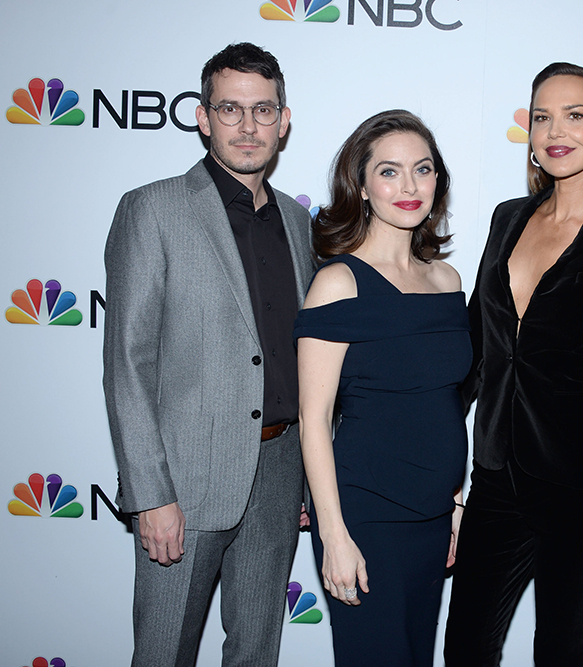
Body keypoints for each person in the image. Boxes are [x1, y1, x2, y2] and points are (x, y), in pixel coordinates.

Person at [444, 62, 583, 666]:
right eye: (542, 116)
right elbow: (475, 353)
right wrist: (433, 455)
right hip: (494, 476)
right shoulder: (507, 218)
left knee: (560, 655)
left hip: (580, 487)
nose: (554, 130)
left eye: (575, 115)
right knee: (465, 647)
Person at [102, 43, 313, 666]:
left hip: (278, 471)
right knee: (164, 653)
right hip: (184, 484)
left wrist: (307, 477)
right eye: (230, 109)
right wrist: (150, 494)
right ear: (202, 117)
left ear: (284, 119)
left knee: (256, 653)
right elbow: (128, 364)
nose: (248, 127)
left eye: (262, 110)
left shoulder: (300, 226)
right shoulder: (153, 209)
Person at [294, 109, 470, 667]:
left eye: (422, 169)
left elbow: (447, 403)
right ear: (362, 186)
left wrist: (457, 503)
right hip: (364, 517)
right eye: (389, 172)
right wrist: (335, 536)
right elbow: (314, 417)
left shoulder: (446, 280)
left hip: (434, 513)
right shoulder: (337, 283)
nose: (410, 185)